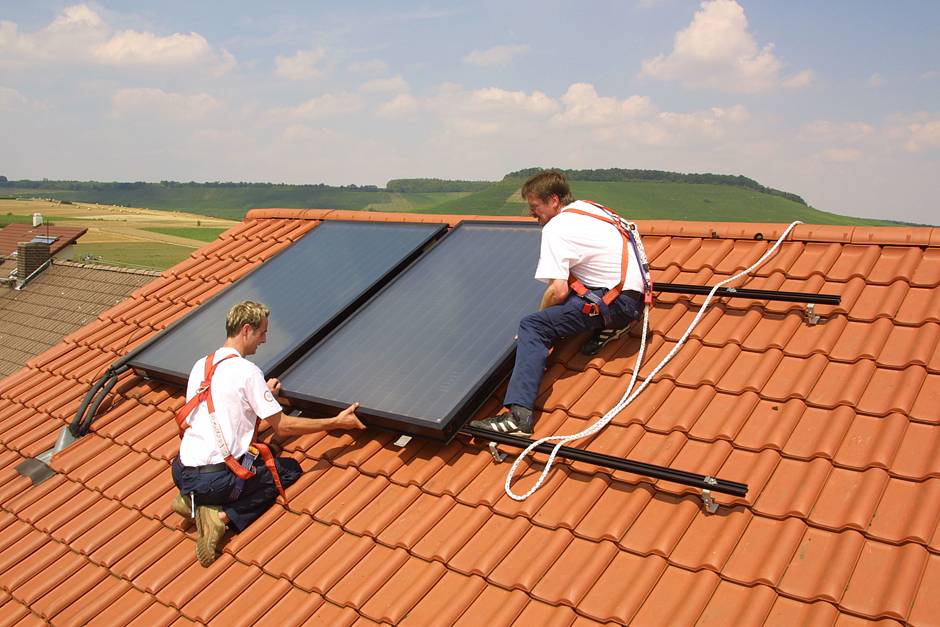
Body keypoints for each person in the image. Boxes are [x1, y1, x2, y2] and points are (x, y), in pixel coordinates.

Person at [170, 300, 364, 566]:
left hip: (182, 472)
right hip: (215, 479)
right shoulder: (247, 371)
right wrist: (336, 421)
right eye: (262, 332)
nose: (264, 339)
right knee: (287, 470)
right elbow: (282, 426)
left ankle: (190, 500)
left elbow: (223, 410)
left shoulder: (201, 365)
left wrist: (264, 399)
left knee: (251, 456)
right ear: (246, 330)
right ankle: (221, 516)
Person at [470, 170, 645, 437]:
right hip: (633, 298)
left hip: (614, 302)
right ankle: (610, 325)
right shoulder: (590, 209)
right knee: (577, 292)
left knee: (533, 326)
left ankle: (519, 418)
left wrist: (542, 321)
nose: (533, 215)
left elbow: (558, 290)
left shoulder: (556, 227)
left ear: (553, 200)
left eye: (534, 207)